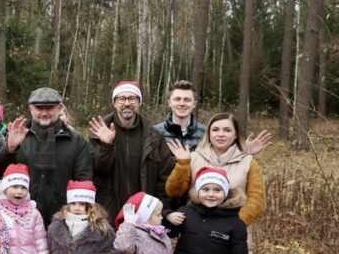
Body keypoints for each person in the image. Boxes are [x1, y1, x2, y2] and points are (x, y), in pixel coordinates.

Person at [0, 87, 93, 226]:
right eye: (39, 108)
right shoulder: (19, 136)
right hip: (22, 217)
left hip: (63, 217)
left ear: (60, 108)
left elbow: (84, 179)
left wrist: (76, 212)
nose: (44, 113)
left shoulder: (76, 140)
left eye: (49, 108)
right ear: (30, 109)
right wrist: (9, 149)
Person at [88, 81, 174, 219]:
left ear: (140, 102)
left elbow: (164, 177)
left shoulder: (155, 137)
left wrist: (160, 209)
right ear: (114, 103)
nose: (127, 103)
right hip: (109, 210)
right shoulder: (99, 132)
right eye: (121, 99)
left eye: (132, 98)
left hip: (144, 211)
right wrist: (106, 145)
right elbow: (97, 171)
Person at [165, 112, 265, 228]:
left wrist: (235, 224)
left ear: (236, 134)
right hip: (195, 228)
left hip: (233, 230)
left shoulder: (248, 162)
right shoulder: (194, 158)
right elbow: (174, 191)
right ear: (209, 133)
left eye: (227, 130)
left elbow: (256, 200)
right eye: (215, 130)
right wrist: (182, 164)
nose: (220, 134)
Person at [152, 81, 206, 151]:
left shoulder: (205, 133)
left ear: (194, 104)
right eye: (177, 99)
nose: (182, 103)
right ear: (169, 102)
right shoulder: (155, 133)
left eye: (187, 100)